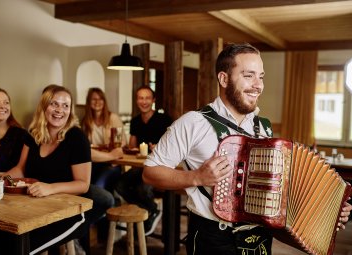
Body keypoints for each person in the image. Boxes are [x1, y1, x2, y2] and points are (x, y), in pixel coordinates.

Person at [143, 43, 352, 254]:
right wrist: (196, 177)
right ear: (224, 79)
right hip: (214, 238)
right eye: (248, 75)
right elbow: (150, 173)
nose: (258, 85)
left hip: (259, 239)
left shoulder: (262, 128)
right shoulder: (193, 122)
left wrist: (329, 211)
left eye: (261, 76)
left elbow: (283, 192)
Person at [1, 84, 114, 254]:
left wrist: (49, 188)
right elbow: (20, 170)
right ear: (44, 106)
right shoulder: (33, 134)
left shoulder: (76, 137)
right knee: (9, 239)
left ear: (70, 110)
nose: (60, 110)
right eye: (54, 104)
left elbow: (83, 184)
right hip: (39, 208)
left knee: (24, 247)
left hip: (71, 213)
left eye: (65, 105)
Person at [115, 85, 173, 236]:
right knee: (119, 185)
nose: (144, 101)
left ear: (153, 100)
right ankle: (151, 209)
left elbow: (174, 145)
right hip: (140, 166)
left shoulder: (163, 119)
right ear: (136, 101)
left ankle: (147, 214)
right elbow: (133, 147)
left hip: (159, 167)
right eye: (141, 98)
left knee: (142, 188)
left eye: (147, 98)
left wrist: (160, 147)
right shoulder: (135, 121)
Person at [81, 87, 126, 192]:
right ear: (89, 102)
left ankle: (108, 204)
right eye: (94, 99)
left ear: (104, 101)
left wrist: (112, 147)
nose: (97, 102)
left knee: (98, 187)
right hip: (94, 162)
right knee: (86, 188)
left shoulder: (113, 118)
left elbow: (122, 142)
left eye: (100, 99)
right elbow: (84, 146)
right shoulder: (85, 121)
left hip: (111, 163)